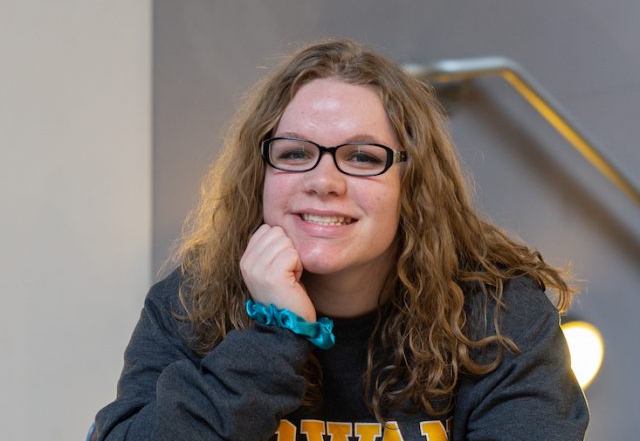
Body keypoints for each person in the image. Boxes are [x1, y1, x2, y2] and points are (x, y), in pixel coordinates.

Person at [92, 39, 589, 440]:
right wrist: (274, 333)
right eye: (294, 153)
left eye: (362, 158)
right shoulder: (189, 303)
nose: (324, 181)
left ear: (411, 186)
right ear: (260, 175)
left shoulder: (501, 317)